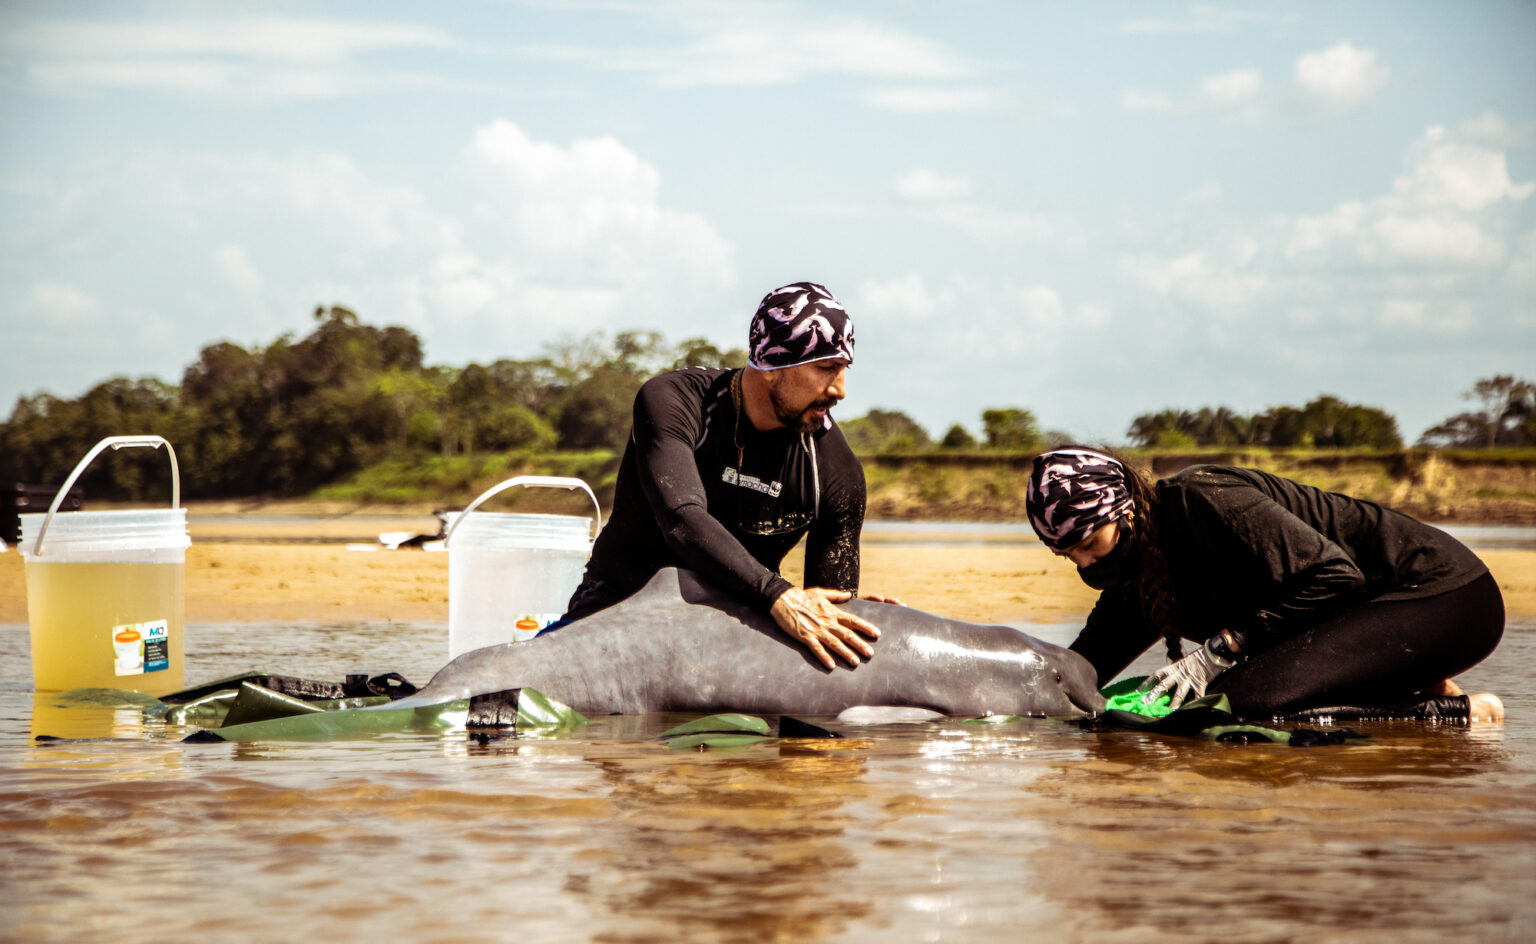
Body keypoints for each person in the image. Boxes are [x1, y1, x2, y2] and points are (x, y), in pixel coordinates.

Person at [1024, 447, 1505, 722]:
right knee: (1212, 702)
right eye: (1067, 555)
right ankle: (1409, 685)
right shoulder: (1136, 574)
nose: (1085, 563)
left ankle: (1448, 716)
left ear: (1124, 510)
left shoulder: (1202, 499)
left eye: (1089, 542)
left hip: (1444, 598)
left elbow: (1335, 576)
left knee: (1238, 704)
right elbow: (1081, 670)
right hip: (1372, 628)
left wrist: (1220, 648)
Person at [562, 281, 897, 670]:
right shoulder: (674, 402)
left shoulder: (836, 471)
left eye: (843, 369)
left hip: (737, 626)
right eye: (825, 368)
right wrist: (778, 593)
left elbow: (827, 611)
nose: (839, 390)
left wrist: (855, 616)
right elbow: (683, 520)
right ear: (773, 365)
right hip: (616, 606)